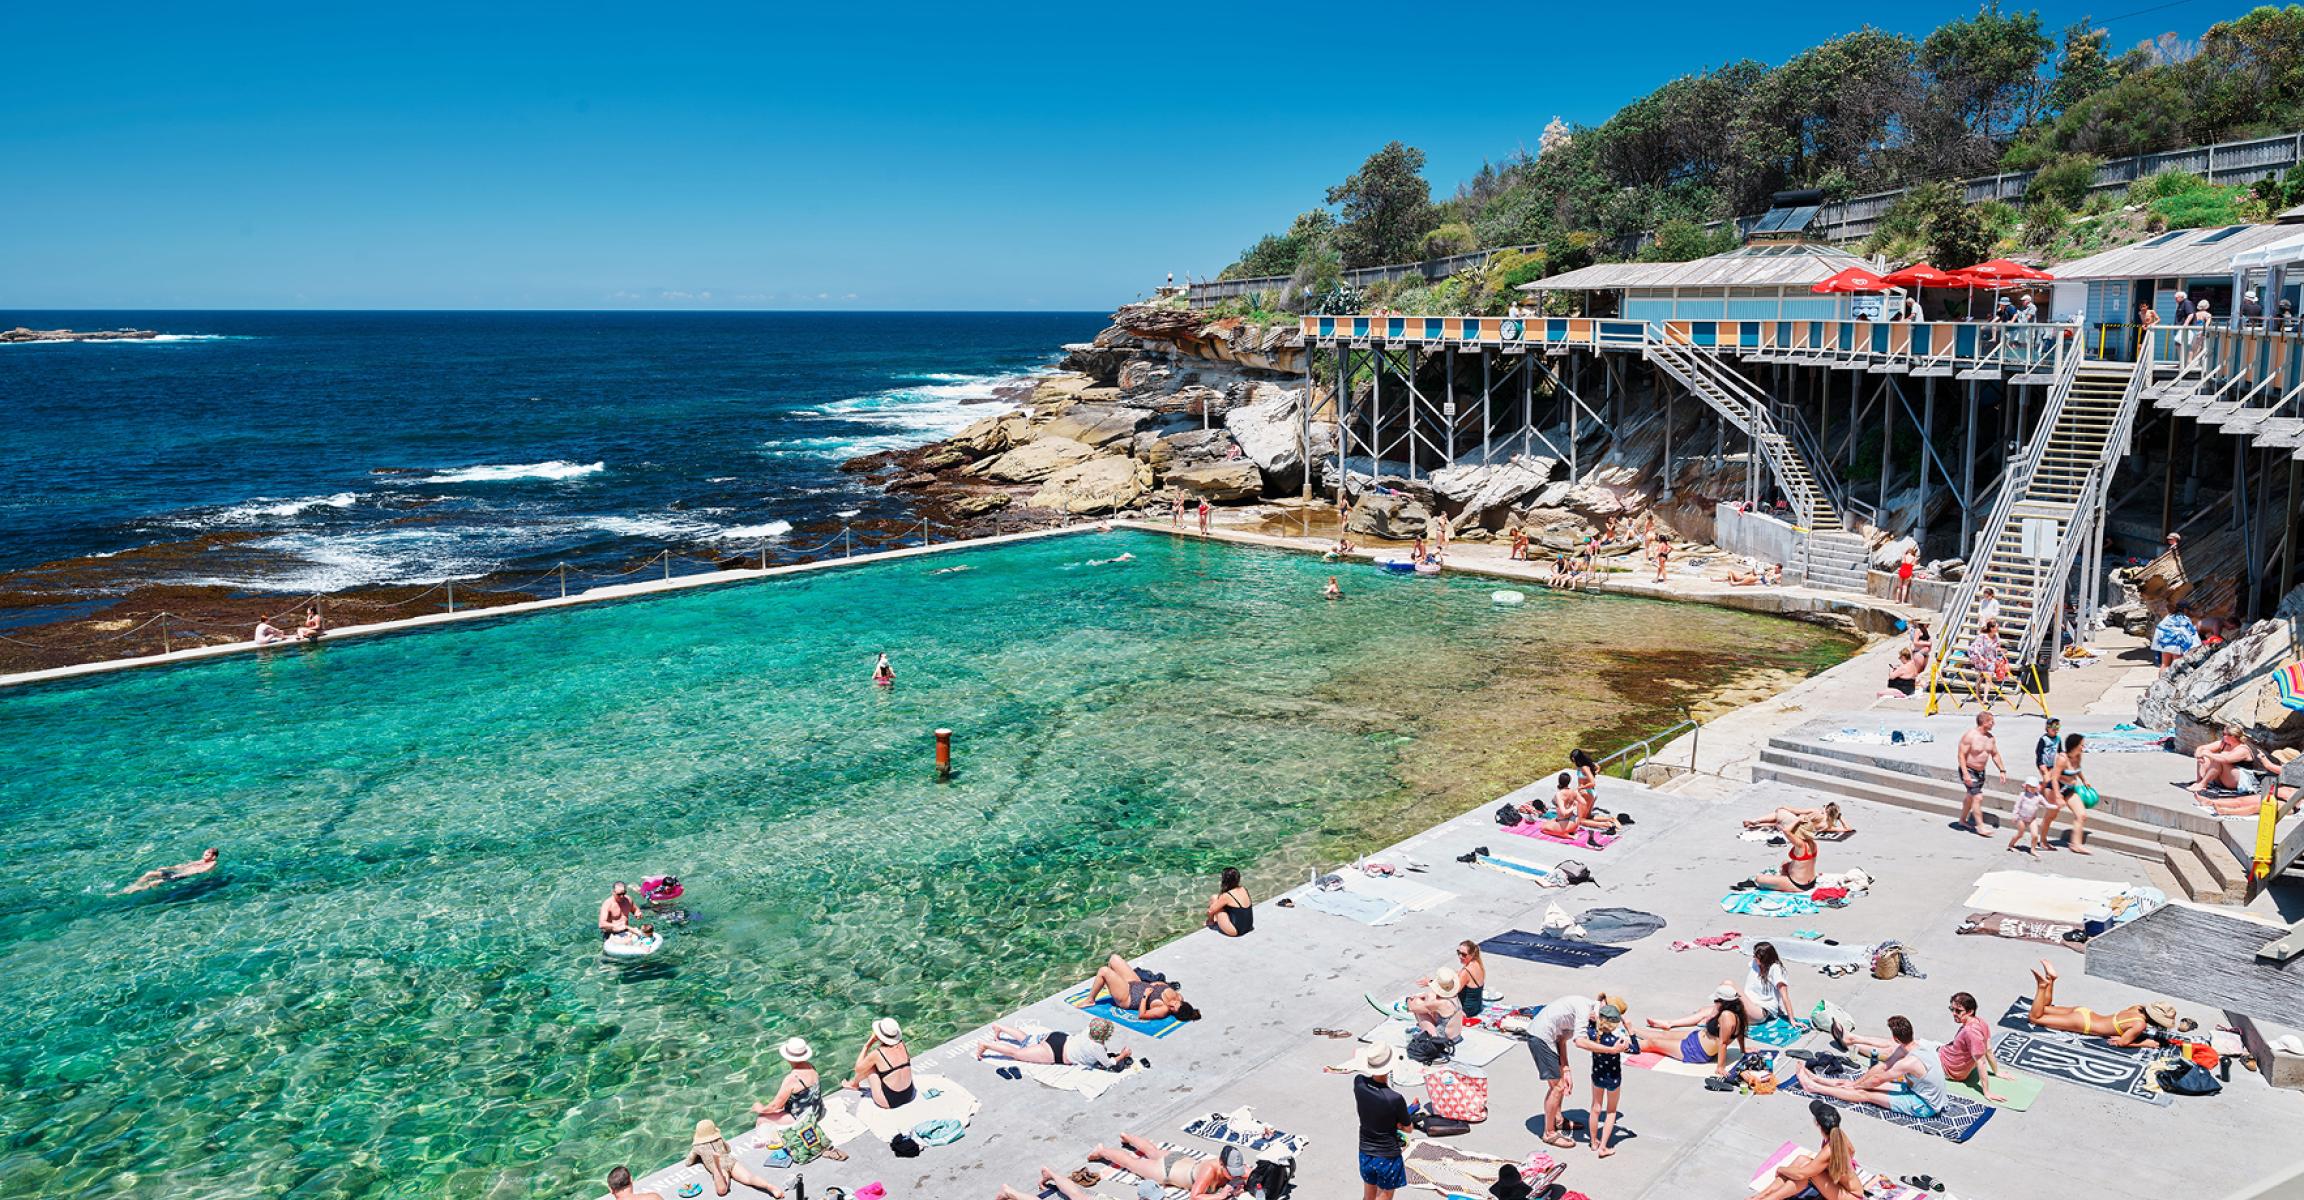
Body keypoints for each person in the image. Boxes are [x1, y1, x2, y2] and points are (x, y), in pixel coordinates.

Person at [1848, 992, 2005, 1104]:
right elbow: (1989, 1049)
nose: (1954, 1014)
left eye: (1958, 1011)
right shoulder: (1980, 1022)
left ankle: (1852, 1043)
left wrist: (1987, 1091)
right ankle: (1853, 1039)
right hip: (1942, 1051)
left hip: (1944, 1065)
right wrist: (1997, 1072)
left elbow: (1981, 1061)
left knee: (1896, 1049)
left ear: (1970, 1011)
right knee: (1898, 1042)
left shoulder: (1971, 1032)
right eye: (1952, 1009)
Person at [1796, 1014, 1947, 1119]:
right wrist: (1856, 1083)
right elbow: (1883, 1067)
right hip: (1917, 1090)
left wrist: (1856, 1088)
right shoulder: (1920, 1044)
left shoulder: (1909, 1062)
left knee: (1865, 1094)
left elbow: (1877, 1080)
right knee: (1859, 1085)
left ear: (1895, 1038)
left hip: (1924, 1105)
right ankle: (1816, 1079)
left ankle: (1814, 1087)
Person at [2026, 958, 2188, 1047]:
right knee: (2035, 1018)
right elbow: (2121, 1043)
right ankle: (2042, 986)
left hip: (2086, 1013)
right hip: (2084, 1023)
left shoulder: (2137, 1008)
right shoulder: (2140, 1025)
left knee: (2044, 1009)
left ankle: (2050, 979)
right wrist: (2144, 1043)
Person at [1529, 992, 1617, 1147]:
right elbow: (1580, 1041)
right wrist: (1610, 1050)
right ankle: (1549, 1133)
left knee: (1561, 1083)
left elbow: (1562, 1040)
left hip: (1549, 1037)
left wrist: (1566, 1069)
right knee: (1557, 1087)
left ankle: (1558, 1120)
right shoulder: (1584, 1009)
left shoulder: (1585, 1012)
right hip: (1540, 1038)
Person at [1752, 1100, 1861, 1200]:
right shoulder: (1839, 1135)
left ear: (1817, 1123)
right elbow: (1852, 1151)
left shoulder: (1829, 1151)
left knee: (1806, 1173)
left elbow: (1801, 1175)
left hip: (1850, 1196)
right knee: (1802, 1160)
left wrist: (1780, 1169)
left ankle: (1770, 1198)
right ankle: (1763, 1195)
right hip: (1845, 1187)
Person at [1636, 984, 1747, 1076]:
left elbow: (1723, 1043)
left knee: (1653, 1043)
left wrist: (1720, 1067)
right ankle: (1633, 1031)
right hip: (1696, 1038)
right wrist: (1743, 1049)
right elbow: (1740, 1032)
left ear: (1723, 1002)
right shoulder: (1738, 1011)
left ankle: (1626, 1044)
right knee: (1664, 1035)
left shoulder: (1727, 1016)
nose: (1714, 1003)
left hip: (1695, 1051)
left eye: (1716, 1001)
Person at [751, 1037, 842, 1148]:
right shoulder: (811, 1067)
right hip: (818, 1112)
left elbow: (775, 1106)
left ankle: (768, 1141)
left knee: (762, 1118)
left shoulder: (792, 1078)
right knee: (780, 1109)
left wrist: (760, 1108)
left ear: (788, 1058)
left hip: (803, 1119)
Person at [1088, 1134, 1242, 1199]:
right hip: (1165, 1171)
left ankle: (1127, 1137)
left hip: (1179, 1159)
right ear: (1222, 1165)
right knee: (1131, 1164)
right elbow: (1195, 1197)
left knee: (1152, 1150)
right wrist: (1220, 1196)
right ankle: (1101, 1151)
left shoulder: (1231, 1164)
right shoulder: (1208, 1172)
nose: (1236, 1175)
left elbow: (1252, 1175)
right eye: (1232, 1172)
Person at [1349, 1043, 1411, 1199]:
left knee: (1368, 1196)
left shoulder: (1359, 1083)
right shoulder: (1394, 1098)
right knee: (1384, 1195)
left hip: (1365, 1152)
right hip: (1387, 1156)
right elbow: (1408, 1128)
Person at [1572, 1004, 1629, 1157]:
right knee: (1611, 1111)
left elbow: (1591, 1023)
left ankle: (1594, 1141)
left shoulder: (1593, 1034)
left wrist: (1593, 1018)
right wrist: (1631, 1030)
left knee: (1595, 1108)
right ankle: (1603, 1147)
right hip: (1613, 1079)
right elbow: (1635, 1049)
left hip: (1597, 1076)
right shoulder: (1616, 1041)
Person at [975, 1017, 1130, 1070]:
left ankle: (1000, 1027)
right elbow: (1108, 1063)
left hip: (1058, 1038)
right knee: (1017, 1054)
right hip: (1055, 1053)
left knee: (1027, 1041)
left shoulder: (1086, 1032)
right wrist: (1123, 1054)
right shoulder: (1097, 1047)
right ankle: (986, 1045)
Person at [684, 1120, 787, 1199]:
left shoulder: (697, 1147)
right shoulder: (719, 1139)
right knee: (749, 1178)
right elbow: (728, 1149)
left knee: (722, 1190)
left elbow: (688, 1162)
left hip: (720, 1168)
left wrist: (699, 1156)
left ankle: (716, 1167)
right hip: (730, 1161)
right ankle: (769, 1187)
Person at [1087, 952, 1201, 1022]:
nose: (1172, 1004)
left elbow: (1142, 1015)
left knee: (1103, 971)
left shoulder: (1163, 1010)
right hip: (1135, 983)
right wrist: (1158, 984)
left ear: (1174, 1013)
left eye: (1173, 1008)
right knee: (1114, 959)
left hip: (1128, 997)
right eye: (1176, 1003)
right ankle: (1111, 985)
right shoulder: (1178, 997)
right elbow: (1164, 987)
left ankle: (1090, 1000)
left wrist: (1145, 996)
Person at [843, 1017, 916, 1109]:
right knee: (884, 1068)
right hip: (909, 1094)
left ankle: (854, 1084)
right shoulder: (902, 1044)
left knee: (869, 1067)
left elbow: (858, 1069)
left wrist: (867, 1045)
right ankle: (854, 1083)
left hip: (889, 1101)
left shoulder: (878, 1054)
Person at [1955, 712, 2007, 835]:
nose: (1993, 724)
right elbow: (1961, 755)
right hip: (1969, 770)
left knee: (1970, 797)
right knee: (1977, 797)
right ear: (1984, 722)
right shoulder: (1970, 736)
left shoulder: (1991, 738)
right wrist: (1965, 774)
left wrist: (2002, 770)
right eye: (1991, 721)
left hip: (1981, 773)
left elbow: (1995, 754)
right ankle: (1980, 826)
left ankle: (1962, 820)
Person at [2044, 732, 2093, 855]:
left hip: (2070, 790)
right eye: (2081, 745)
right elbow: (2054, 778)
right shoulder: (2062, 759)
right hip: (2056, 790)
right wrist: (2058, 796)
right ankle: (2043, 840)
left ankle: (2076, 845)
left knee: (2081, 815)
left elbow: (2078, 769)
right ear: (2074, 745)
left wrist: (2084, 780)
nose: (2083, 747)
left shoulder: (2078, 756)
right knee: (2051, 816)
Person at [1737, 819, 1819, 892]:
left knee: (1759, 879)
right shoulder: (1812, 843)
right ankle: (1782, 881)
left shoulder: (1801, 845)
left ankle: (1783, 883)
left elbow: (1786, 831)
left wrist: (1797, 820)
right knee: (1785, 863)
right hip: (1811, 881)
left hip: (1799, 885)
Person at [120, 847, 219, 894]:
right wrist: (168, 868)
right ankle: (135, 885)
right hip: (177, 872)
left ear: (213, 857)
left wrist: (195, 871)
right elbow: (183, 865)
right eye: (204, 853)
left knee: (154, 883)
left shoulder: (212, 863)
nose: (204, 855)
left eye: (207, 854)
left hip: (181, 875)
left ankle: (132, 891)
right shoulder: (201, 860)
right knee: (149, 873)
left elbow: (205, 870)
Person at [1405, 968, 1465, 1043]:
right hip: (1456, 1036)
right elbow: (1431, 998)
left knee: (1419, 1010)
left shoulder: (1440, 1003)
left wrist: (1409, 999)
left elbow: (1412, 1008)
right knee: (1431, 1006)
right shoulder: (1454, 996)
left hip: (1443, 1040)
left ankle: (1427, 1035)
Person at [1743, 803, 1850, 837]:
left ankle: (1756, 821)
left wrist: (1784, 807)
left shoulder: (1817, 812)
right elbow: (1848, 829)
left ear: (1826, 809)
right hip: (1798, 831)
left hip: (1793, 823)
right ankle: (1756, 824)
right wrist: (1840, 818)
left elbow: (1796, 811)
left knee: (1779, 813)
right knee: (1777, 821)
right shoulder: (1829, 826)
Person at [2007, 777, 2052, 855]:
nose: (2031, 789)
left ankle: (2033, 849)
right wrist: (2014, 815)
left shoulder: (2039, 797)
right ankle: (2011, 845)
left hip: (2032, 819)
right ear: (2026, 786)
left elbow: (2047, 804)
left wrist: (2056, 806)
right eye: (2029, 786)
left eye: (2033, 787)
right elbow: (2017, 806)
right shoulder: (2023, 795)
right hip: (2021, 818)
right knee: (2020, 834)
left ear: (2037, 788)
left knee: (2035, 835)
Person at [1206, 867, 1254, 937]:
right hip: (1248, 926)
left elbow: (1210, 911)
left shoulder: (1227, 895)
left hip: (1235, 931)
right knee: (1220, 902)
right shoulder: (1243, 889)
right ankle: (1217, 920)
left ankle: (1211, 922)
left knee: (1214, 898)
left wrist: (1210, 920)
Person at [2153, 601, 2201, 668]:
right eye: (2188, 609)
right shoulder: (2184, 618)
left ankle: (2162, 678)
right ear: (2185, 609)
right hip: (2176, 643)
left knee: (2165, 664)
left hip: (2164, 641)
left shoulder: (2169, 616)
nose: (2189, 612)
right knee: (2176, 662)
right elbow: (2191, 633)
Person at [1452, 940, 1489, 1017]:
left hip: (1466, 1011)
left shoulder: (1466, 972)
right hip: (1476, 1007)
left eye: (1464, 954)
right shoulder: (1478, 964)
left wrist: (1432, 983)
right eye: (1458, 952)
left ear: (1472, 955)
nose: (1460, 956)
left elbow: (1452, 992)